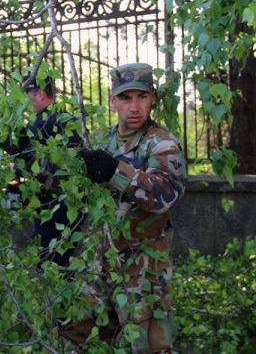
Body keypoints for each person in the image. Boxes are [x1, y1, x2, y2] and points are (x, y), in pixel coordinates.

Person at [62, 63, 187, 353]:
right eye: (125, 98)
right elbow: (73, 191)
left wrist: (115, 172)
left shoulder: (161, 143)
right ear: (112, 100)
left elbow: (166, 194)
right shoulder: (105, 141)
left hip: (144, 273)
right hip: (101, 266)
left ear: (153, 98)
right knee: (77, 335)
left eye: (141, 97)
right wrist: (32, 160)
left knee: (146, 346)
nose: (134, 107)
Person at [0, 74, 84, 267]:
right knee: (58, 257)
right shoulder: (65, 118)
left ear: (39, 94)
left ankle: (57, 294)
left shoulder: (45, 123)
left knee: (51, 261)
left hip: (55, 203)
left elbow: (29, 157)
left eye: (27, 97)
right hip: (63, 202)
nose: (25, 104)